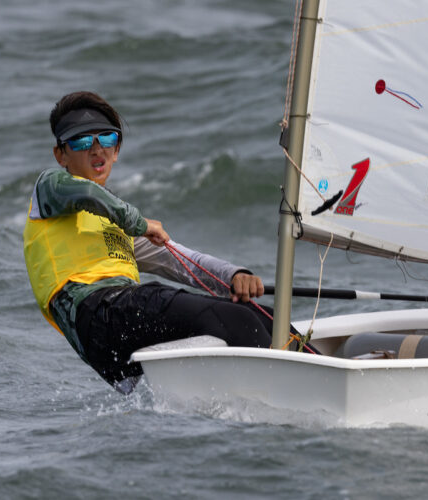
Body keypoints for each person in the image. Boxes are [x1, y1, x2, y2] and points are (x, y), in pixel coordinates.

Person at [23, 91, 277, 394]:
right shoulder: (49, 188)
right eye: (81, 141)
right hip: (96, 316)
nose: (96, 149)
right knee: (236, 319)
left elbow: (180, 261)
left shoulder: (117, 229)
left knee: (266, 317)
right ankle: (278, 393)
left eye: (106, 139)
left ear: (116, 150)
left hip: (119, 333)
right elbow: (88, 194)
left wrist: (234, 276)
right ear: (60, 155)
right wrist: (140, 224)